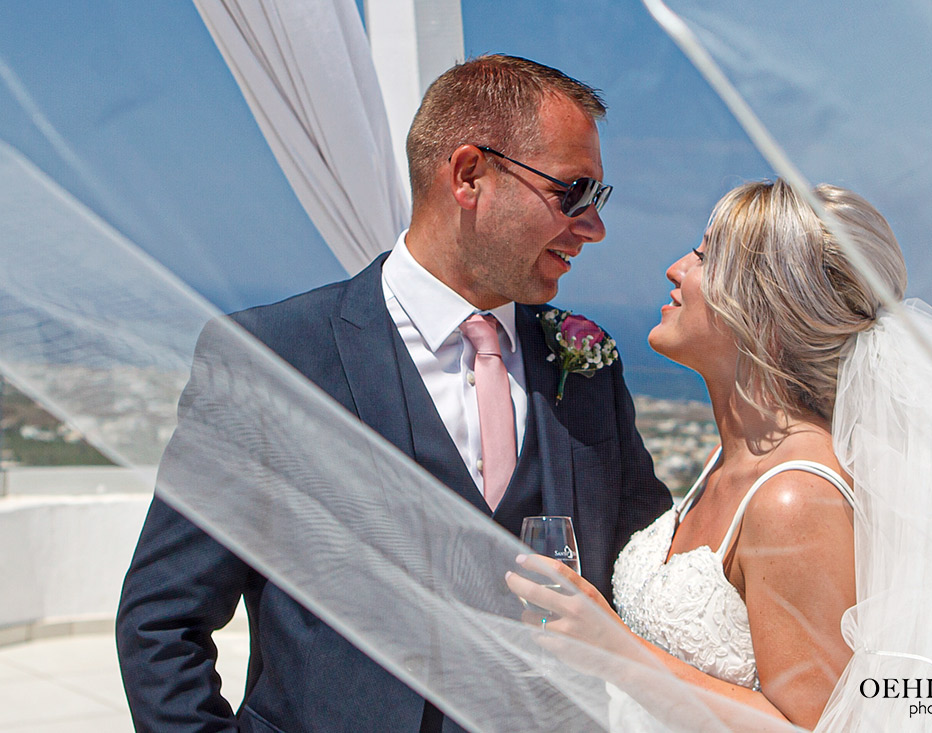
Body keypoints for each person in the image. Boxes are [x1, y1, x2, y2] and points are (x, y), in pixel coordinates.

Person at [116, 54, 671, 732]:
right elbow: (162, 618)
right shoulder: (275, 357)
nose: (594, 227)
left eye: (598, 200)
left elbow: (648, 579)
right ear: (470, 175)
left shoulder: (586, 364)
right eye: (572, 193)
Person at [506, 177, 932, 729]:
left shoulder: (793, 497)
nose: (674, 269)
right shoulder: (730, 462)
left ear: (763, 310)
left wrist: (616, 653)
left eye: (706, 257)